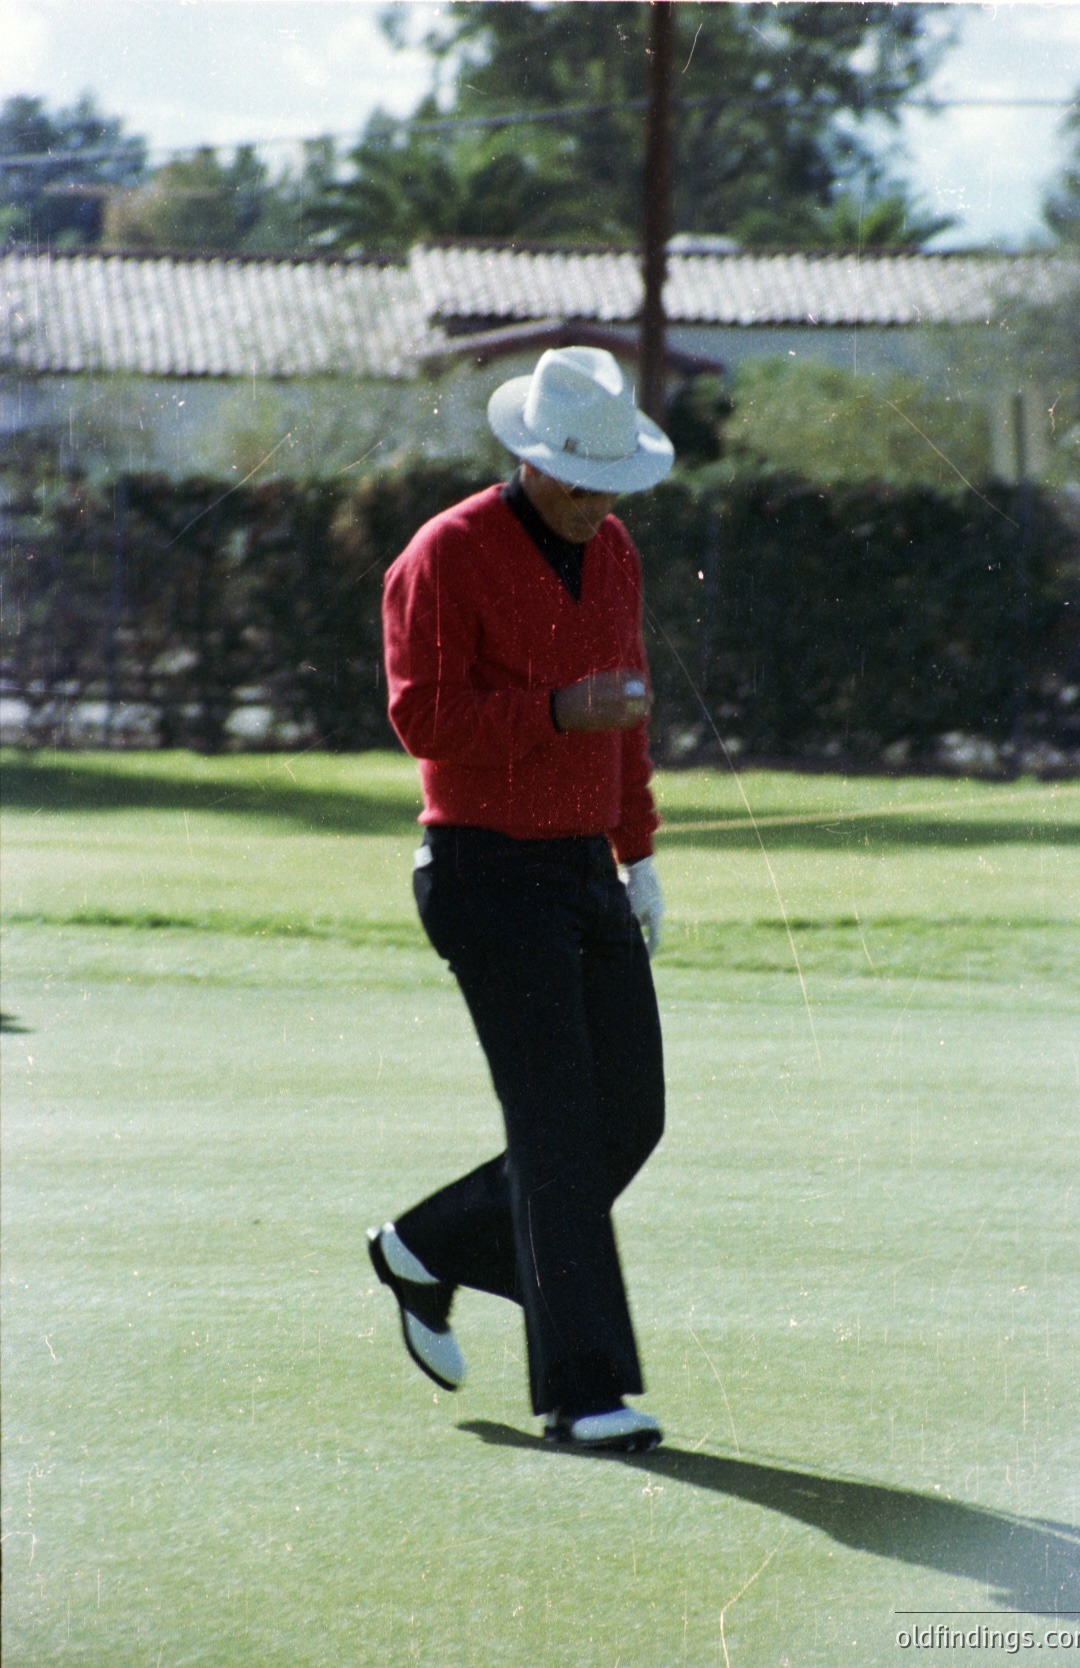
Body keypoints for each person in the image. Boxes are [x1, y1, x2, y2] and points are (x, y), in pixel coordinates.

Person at [368, 346, 674, 1453]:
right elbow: (423, 723)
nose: (599, 501)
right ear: (530, 460)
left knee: (627, 1116)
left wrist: (636, 855)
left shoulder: (617, 549)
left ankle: (428, 1245)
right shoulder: (445, 552)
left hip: (582, 871)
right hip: (484, 872)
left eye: (612, 481)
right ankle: (581, 1393)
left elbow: (627, 713)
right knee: (553, 1135)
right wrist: (554, 711)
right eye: (581, 479)